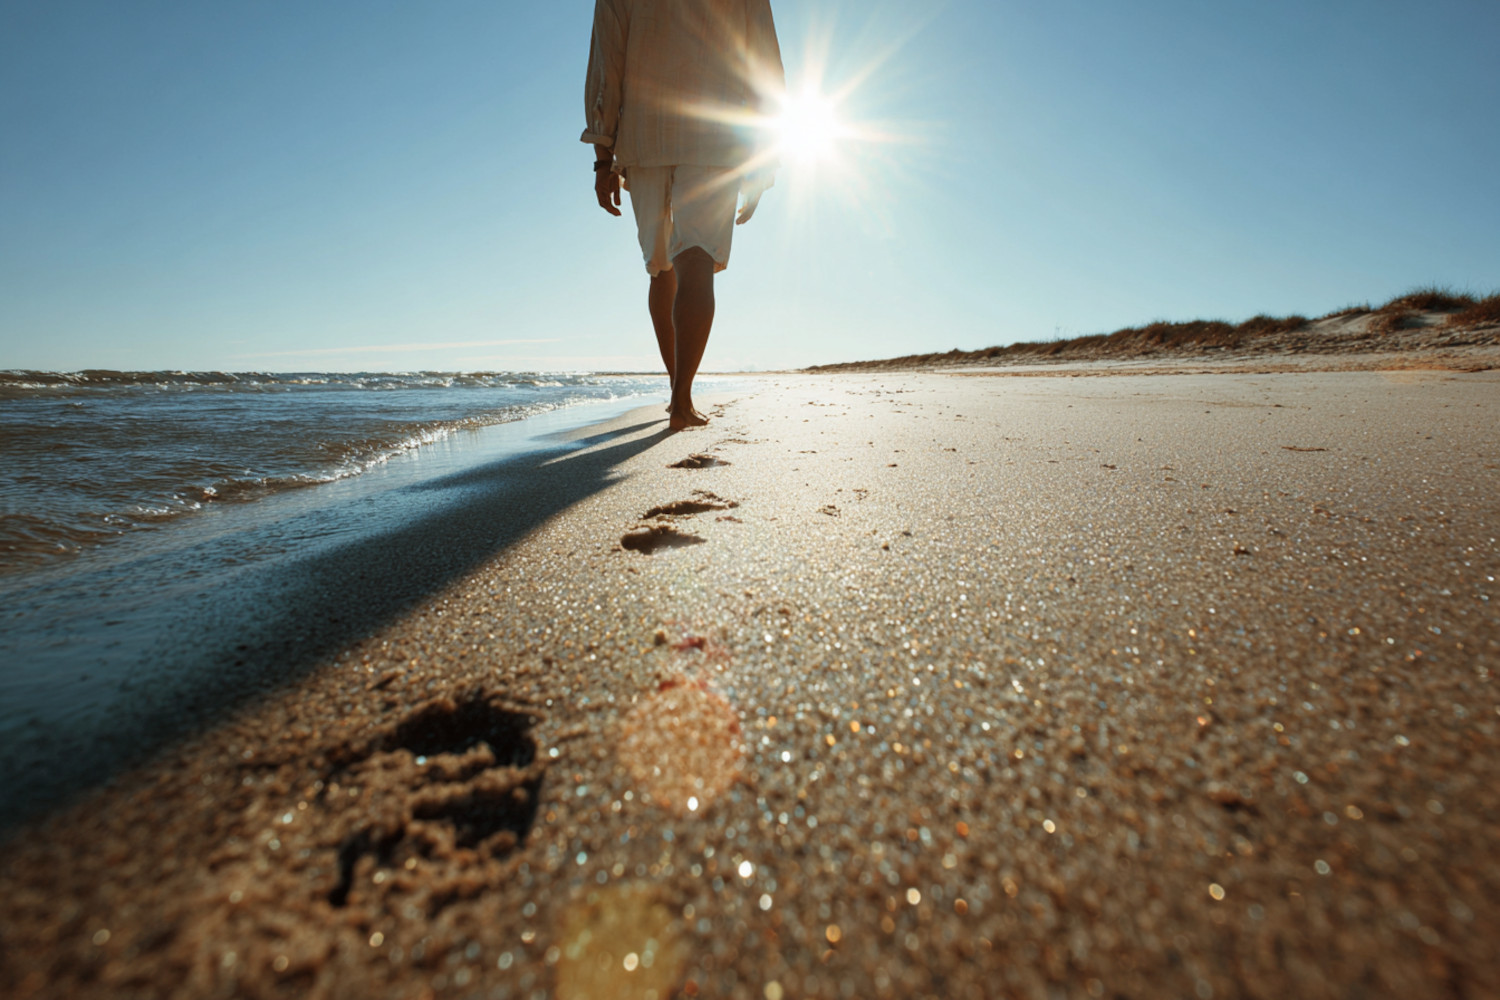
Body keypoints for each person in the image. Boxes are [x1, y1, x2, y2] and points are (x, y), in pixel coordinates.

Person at [583, 0, 785, 430]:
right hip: (716, 137)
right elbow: (764, 67)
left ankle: (679, 390)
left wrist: (603, 158)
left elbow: (607, 66)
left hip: (645, 134)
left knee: (661, 268)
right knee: (695, 258)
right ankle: (681, 399)